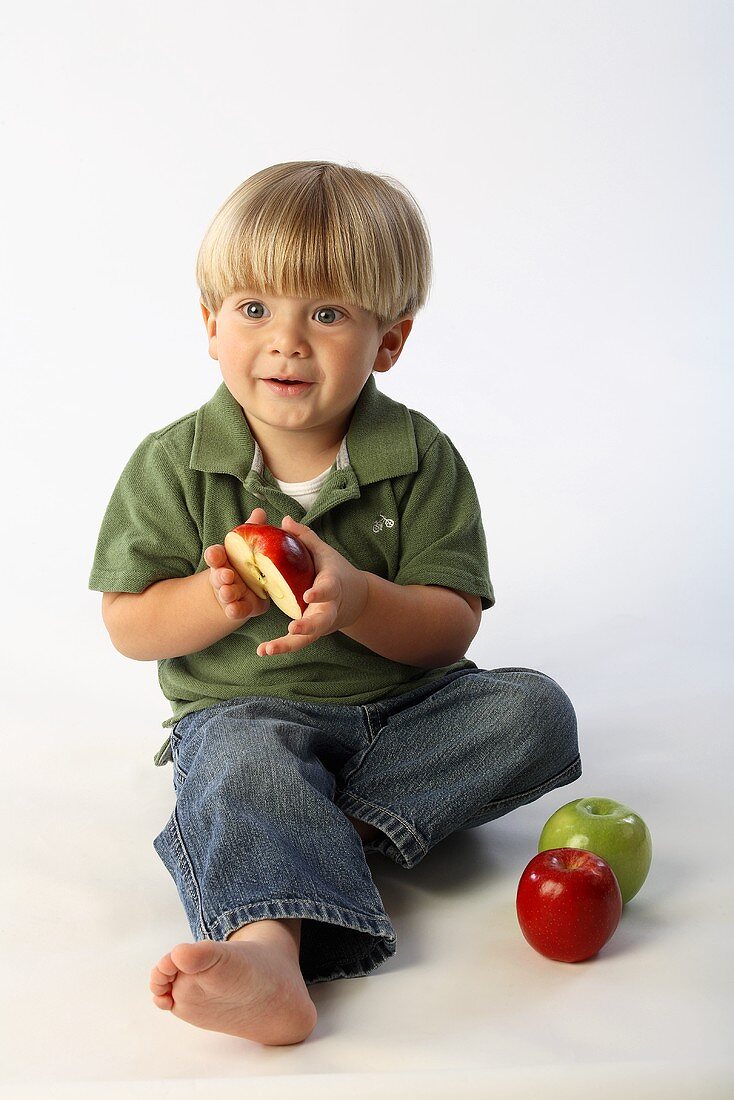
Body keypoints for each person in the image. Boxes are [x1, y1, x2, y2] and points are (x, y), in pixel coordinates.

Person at [89, 160, 581, 1046]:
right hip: (247, 713)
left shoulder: (421, 457)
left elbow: (450, 627)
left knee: (536, 711)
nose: (286, 341)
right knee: (241, 763)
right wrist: (214, 599)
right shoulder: (172, 463)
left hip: (404, 711)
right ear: (209, 324)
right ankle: (271, 957)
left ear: (388, 341)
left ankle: (307, 829)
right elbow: (128, 623)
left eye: (326, 314)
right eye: (253, 309)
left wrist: (357, 600)